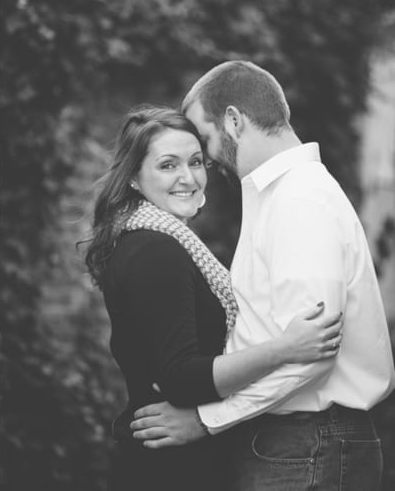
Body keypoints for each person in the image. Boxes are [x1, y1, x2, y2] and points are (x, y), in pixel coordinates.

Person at [130, 61, 395, 490]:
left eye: (206, 138)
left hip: (308, 444)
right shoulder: (281, 196)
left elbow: (312, 354)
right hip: (297, 443)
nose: (206, 159)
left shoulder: (300, 200)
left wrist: (205, 419)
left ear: (234, 120)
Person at [84, 105, 343, 490]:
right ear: (135, 177)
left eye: (196, 162)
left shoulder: (152, 241)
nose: (188, 178)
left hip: (173, 458)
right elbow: (182, 379)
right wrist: (286, 348)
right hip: (173, 468)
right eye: (168, 165)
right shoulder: (156, 251)